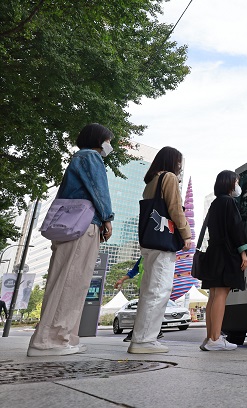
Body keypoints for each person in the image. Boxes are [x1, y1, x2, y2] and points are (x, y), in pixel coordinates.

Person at [27, 123, 115, 357]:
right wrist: (107, 217)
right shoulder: (90, 157)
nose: (110, 145)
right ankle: (50, 341)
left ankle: (63, 337)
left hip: (70, 227)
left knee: (65, 280)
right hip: (84, 226)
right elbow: (99, 190)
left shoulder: (78, 158)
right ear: (99, 140)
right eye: (108, 140)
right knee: (73, 281)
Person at [128, 146, 191, 354]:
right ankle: (145, 340)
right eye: (179, 161)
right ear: (172, 161)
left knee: (148, 290)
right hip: (163, 241)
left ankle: (141, 337)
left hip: (149, 241)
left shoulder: (151, 182)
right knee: (160, 289)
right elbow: (175, 208)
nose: (180, 166)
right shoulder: (169, 177)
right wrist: (186, 234)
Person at [199, 170, 247, 351]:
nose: (237, 185)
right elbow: (236, 229)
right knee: (221, 294)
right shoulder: (229, 202)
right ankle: (215, 339)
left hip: (214, 252)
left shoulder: (215, 204)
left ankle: (210, 337)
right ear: (229, 183)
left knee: (213, 295)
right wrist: (243, 253)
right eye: (236, 181)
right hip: (226, 254)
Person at [113, 257, 163, 342]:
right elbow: (133, 271)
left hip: (153, 287)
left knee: (147, 310)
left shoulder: (156, 255)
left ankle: (147, 332)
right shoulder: (143, 258)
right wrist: (122, 280)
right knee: (143, 310)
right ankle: (154, 332)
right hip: (143, 288)